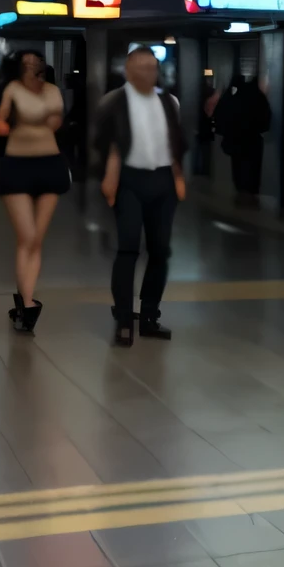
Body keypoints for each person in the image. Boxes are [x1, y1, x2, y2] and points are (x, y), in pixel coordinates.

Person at [93, 46, 187, 348]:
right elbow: (105, 144)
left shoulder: (169, 102)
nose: (149, 73)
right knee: (128, 248)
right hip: (129, 180)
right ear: (128, 71)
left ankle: (149, 316)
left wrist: (177, 177)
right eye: (142, 67)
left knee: (160, 251)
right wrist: (110, 175)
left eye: (153, 68)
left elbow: (175, 143)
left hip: (162, 181)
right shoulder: (114, 102)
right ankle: (123, 319)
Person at [0, 49, 70, 333]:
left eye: (35, 63)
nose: (31, 67)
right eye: (26, 64)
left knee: (35, 239)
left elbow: (56, 121)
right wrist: (11, 125)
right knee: (26, 236)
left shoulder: (51, 91)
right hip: (16, 165)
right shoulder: (10, 89)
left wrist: (34, 121)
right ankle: (27, 302)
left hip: (49, 165)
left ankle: (25, 302)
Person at [211, 72, 271, 203]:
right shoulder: (259, 98)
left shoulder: (233, 98)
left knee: (238, 166)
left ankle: (241, 191)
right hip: (253, 140)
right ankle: (252, 192)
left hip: (236, 139)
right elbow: (266, 120)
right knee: (253, 167)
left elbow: (221, 114)